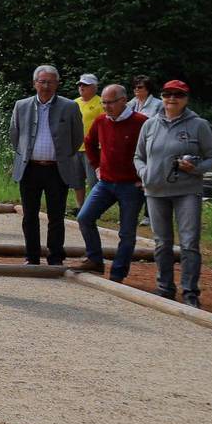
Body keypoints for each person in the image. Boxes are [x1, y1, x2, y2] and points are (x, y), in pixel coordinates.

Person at [134, 79, 212, 308]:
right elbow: (138, 156)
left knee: (190, 242)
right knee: (162, 242)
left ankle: (190, 292)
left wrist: (197, 168)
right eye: (168, 94)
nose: (172, 99)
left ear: (186, 99)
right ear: (161, 96)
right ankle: (165, 288)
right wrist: (145, 173)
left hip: (186, 190)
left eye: (178, 95)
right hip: (155, 190)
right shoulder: (150, 124)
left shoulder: (199, 124)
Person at [8, 65, 84, 265]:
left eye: (51, 82)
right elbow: (15, 136)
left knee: (56, 216)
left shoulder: (69, 107)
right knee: (29, 216)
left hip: (57, 169)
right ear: (34, 84)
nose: (46, 86)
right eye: (42, 81)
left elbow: (76, 139)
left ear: (57, 84)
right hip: (30, 168)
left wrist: (61, 156)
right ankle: (32, 257)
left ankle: (55, 257)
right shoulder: (21, 105)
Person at [76, 84, 147, 282]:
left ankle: (118, 272)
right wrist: (97, 166)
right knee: (84, 217)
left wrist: (144, 177)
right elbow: (89, 142)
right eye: (104, 103)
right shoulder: (101, 121)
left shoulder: (141, 122)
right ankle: (95, 259)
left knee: (126, 232)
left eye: (110, 103)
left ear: (123, 101)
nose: (106, 107)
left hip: (131, 185)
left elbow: (153, 149)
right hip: (105, 182)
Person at [74, 73, 105, 201]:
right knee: (77, 180)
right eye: (80, 84)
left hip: (92, 148)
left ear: (94, 87)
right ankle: (80, 206)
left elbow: (105, 125)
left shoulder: (101, 103)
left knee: (93, 181)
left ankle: (94, 208)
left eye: (85, 85)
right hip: (75, 147)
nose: (82, 87)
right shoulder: (74, 103)